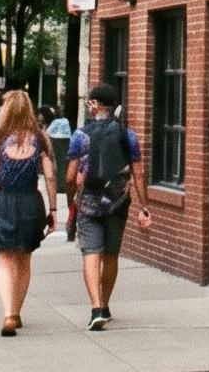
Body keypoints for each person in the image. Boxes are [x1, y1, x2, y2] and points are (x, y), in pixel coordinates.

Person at [65, 81, 152, 331]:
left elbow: (69, 177)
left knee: (91, 254)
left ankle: (95, 308)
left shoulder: (80, 136)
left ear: (94, 104)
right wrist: (144, 207)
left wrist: (73, 199)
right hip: (118, 203)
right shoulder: (128, 136)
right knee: (111, 255)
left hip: (89, 203)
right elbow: (138, 173)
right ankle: (105, 304)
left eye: (89, 102)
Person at [0, 89, 55, 336]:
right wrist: (53, 209)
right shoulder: (40, 138)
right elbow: (50, 176)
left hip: (3, 201)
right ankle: (17, 311)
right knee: (24, 259)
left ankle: (8, 314)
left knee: (6, 261)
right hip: (31, 202)